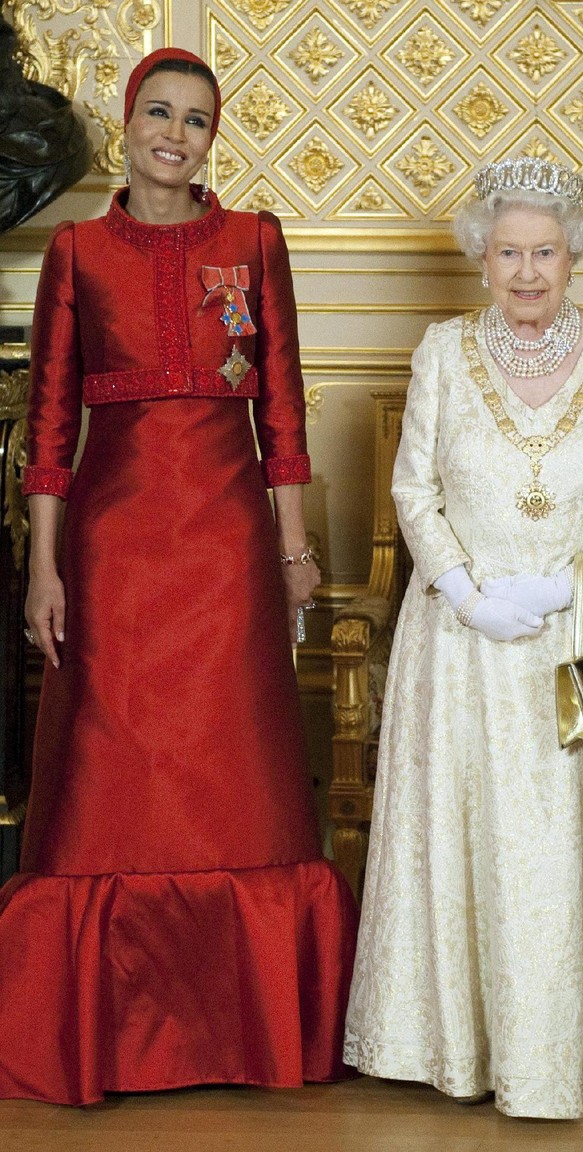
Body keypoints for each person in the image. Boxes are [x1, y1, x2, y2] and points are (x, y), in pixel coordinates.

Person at [0, 47, 358, 1105]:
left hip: (227, 549)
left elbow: (282, 412)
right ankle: (100, 1041)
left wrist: (293, 550)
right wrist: (43, 570)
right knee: (115, 779)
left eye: (196, 120)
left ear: (212, 138)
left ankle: (246, 1034)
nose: (174, 133)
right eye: (158, 113)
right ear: (127, 123)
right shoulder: (75, 251)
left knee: (231, 777)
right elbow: (49, 430)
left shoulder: (254, 242)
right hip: (111, 552)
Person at [344, 156, 583, 1119]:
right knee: (469, 842)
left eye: (545, 252)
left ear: (574, 257)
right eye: (509, 252)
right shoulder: (442, 351)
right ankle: (458, 1048)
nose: (526, 272)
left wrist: (574, 582)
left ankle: (580, 1053)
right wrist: (464, 592)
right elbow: (412, 489)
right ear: (482, 257)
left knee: (571, 851)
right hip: (462, 641)